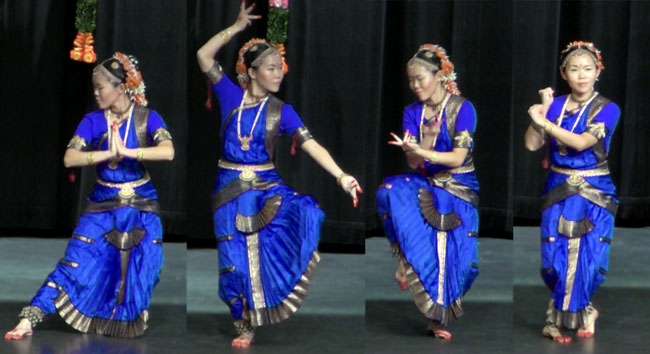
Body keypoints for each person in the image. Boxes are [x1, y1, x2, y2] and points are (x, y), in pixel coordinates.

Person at [196, 2, 362, 348]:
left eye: (281, 68)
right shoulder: (229, 95)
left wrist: (341, 176)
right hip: (227, 189)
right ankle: (242, 321)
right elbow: (203, 55)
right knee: (233, 261)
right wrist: (237, 28)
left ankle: (258, 312)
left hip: (266, 188)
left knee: (281, 237)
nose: (279, 74)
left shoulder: (281, 111)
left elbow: (311, 144)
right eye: (272, 68)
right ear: (253, 71)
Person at [4, 53, 174, 340]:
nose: (95, 93)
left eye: (101, 88)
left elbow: (168, 152)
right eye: (94, 88)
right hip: (102, 204)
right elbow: (70, 158)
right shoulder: (93, 121)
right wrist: (107, 152)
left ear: (121, 88)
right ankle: (30, 317)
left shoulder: (147, 118)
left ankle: (123, 315)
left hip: (142, 205)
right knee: (75, 262)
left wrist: (129, 152)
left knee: (146, 265)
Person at [376, 44, 480, 340]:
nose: (415, 85)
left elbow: (459, 158)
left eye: (421, 78)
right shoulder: (412, 112)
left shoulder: (462, 108)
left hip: (460, 187)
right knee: (388, 191)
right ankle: (406, 259)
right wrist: (422, 146)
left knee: (458, 261)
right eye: (411, 80)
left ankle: (439, 315)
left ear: (440, 75)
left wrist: (425, 148)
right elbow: (412, 162)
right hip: (429, 184)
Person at [524, 41, 620, 343]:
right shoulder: (556, 106)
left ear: (597, 72)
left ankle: (556, 321)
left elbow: (581, 143)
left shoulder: (608, 108)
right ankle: (581, 310)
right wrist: (540, 114)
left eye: (588, 69)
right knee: (554, 260)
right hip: (558, 188)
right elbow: (531, 144)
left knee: (586, 259)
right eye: (574, 69)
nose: (582, 75)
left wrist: (546, 123)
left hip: (594, 191)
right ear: (564, 73)